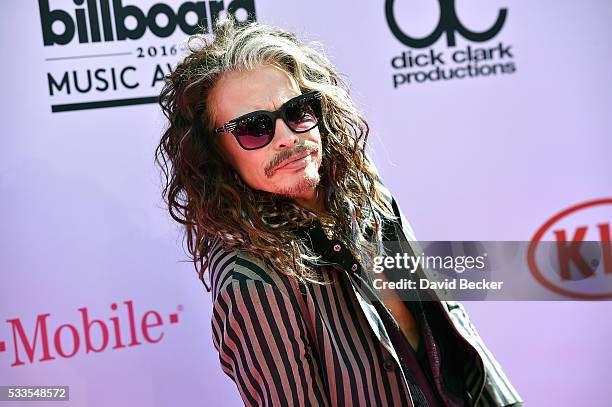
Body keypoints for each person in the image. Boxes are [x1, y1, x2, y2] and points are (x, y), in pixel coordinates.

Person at [155, 15, 523, 407]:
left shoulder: (367, 192)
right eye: (254, 128)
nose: (286, 138)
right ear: (216, 154)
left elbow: (447, 318)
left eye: (297, 111)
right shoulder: (251, 278)